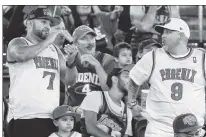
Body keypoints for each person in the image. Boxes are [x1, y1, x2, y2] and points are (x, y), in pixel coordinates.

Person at [127, 18, 206, 137]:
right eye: (163, 32)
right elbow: (133, 79)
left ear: (181, 35)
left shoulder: (202, 59)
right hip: (158, 128)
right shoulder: (152, 57)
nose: (163, 36)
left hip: (190, 129)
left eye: (168, 32)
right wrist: (131, 103)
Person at [6, 7, 77, 137]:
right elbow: (21, 55)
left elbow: (70, 80)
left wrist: (71, 63)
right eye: (43, 22)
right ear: (29, 23)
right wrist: (49, 40)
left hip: (52, 117)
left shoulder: (55, 51)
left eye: (50, 24)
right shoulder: (18, 42)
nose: (48, 27)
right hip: (24, 117)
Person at [65, 25, 116, 106]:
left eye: (92, 38)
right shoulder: (69, 59)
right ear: (75, 43)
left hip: (99, 111)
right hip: (74, 112)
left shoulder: (107, 59)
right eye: (84, 38)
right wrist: (70, 62)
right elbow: (69, 82)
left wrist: (97, 65)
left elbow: (108, 90)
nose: (90, 42)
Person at [79, 64, 134, 137]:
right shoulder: (96, 96)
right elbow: (90, 128)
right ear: (115, 79)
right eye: (127, 76)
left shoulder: (128, 111)